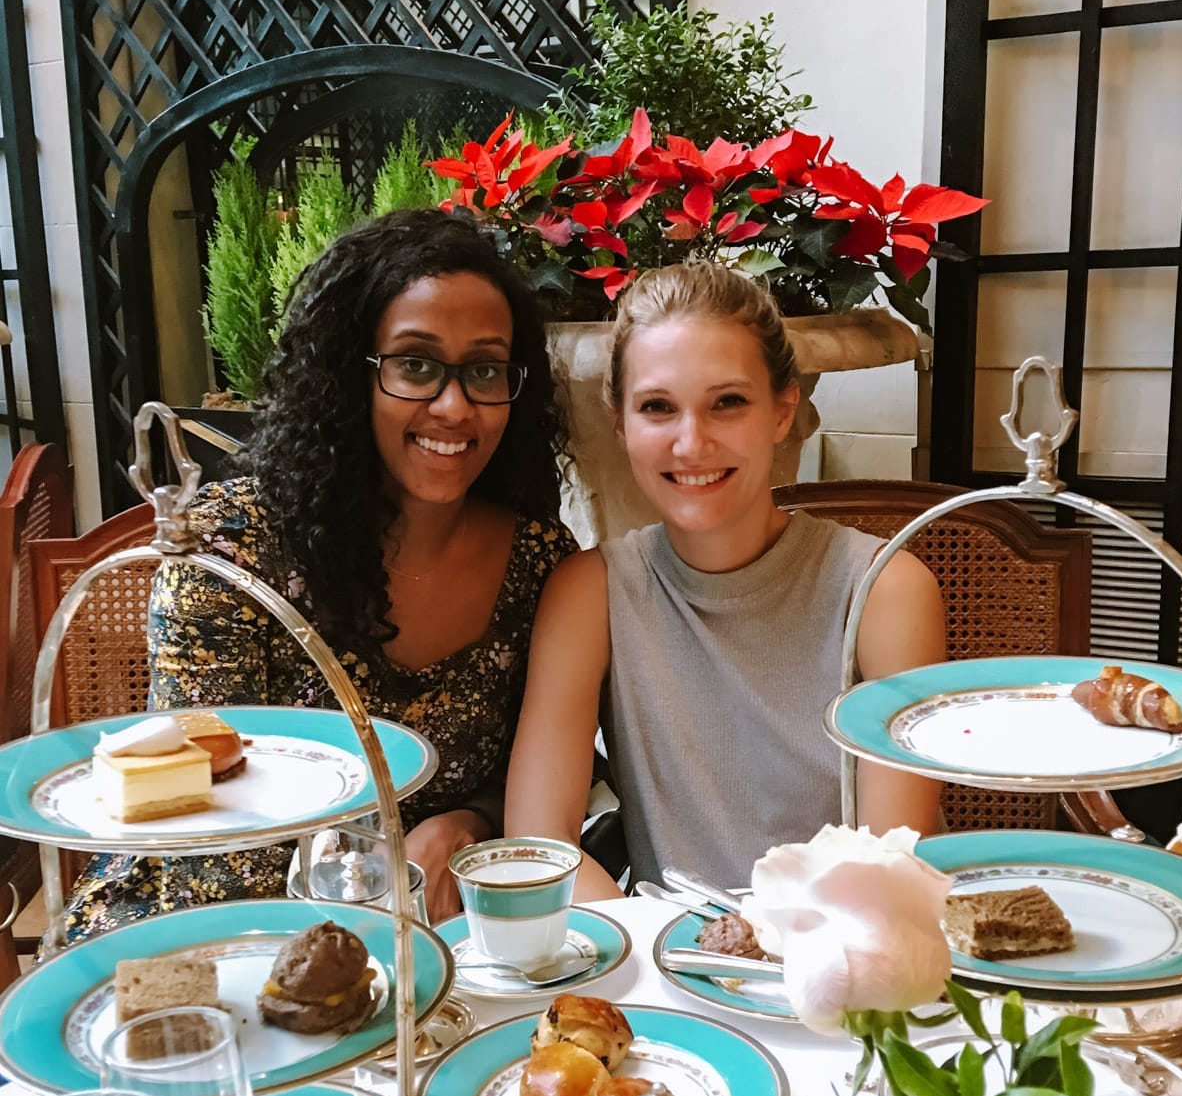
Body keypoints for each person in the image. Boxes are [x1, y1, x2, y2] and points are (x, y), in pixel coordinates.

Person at [66, 208, 574, 934]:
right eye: (416, 365)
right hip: (196, 938)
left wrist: (472, 819)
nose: (454, 405)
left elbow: (547, 770)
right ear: (350, 376)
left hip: (430, 945)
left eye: (485, 369)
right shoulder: (229, 551)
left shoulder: (539, 562)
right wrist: (374, 889)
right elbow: (206, 823)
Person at [505, 261, 944, 897]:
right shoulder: (590, 592)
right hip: (666, 965)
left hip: (849, 961)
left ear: (782, 411)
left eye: (728, 403)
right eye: (658, 407)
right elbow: (542, 849)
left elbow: (892, 859)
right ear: (620, 422)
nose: (692, 443)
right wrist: (664, 959)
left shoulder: (884, 590)